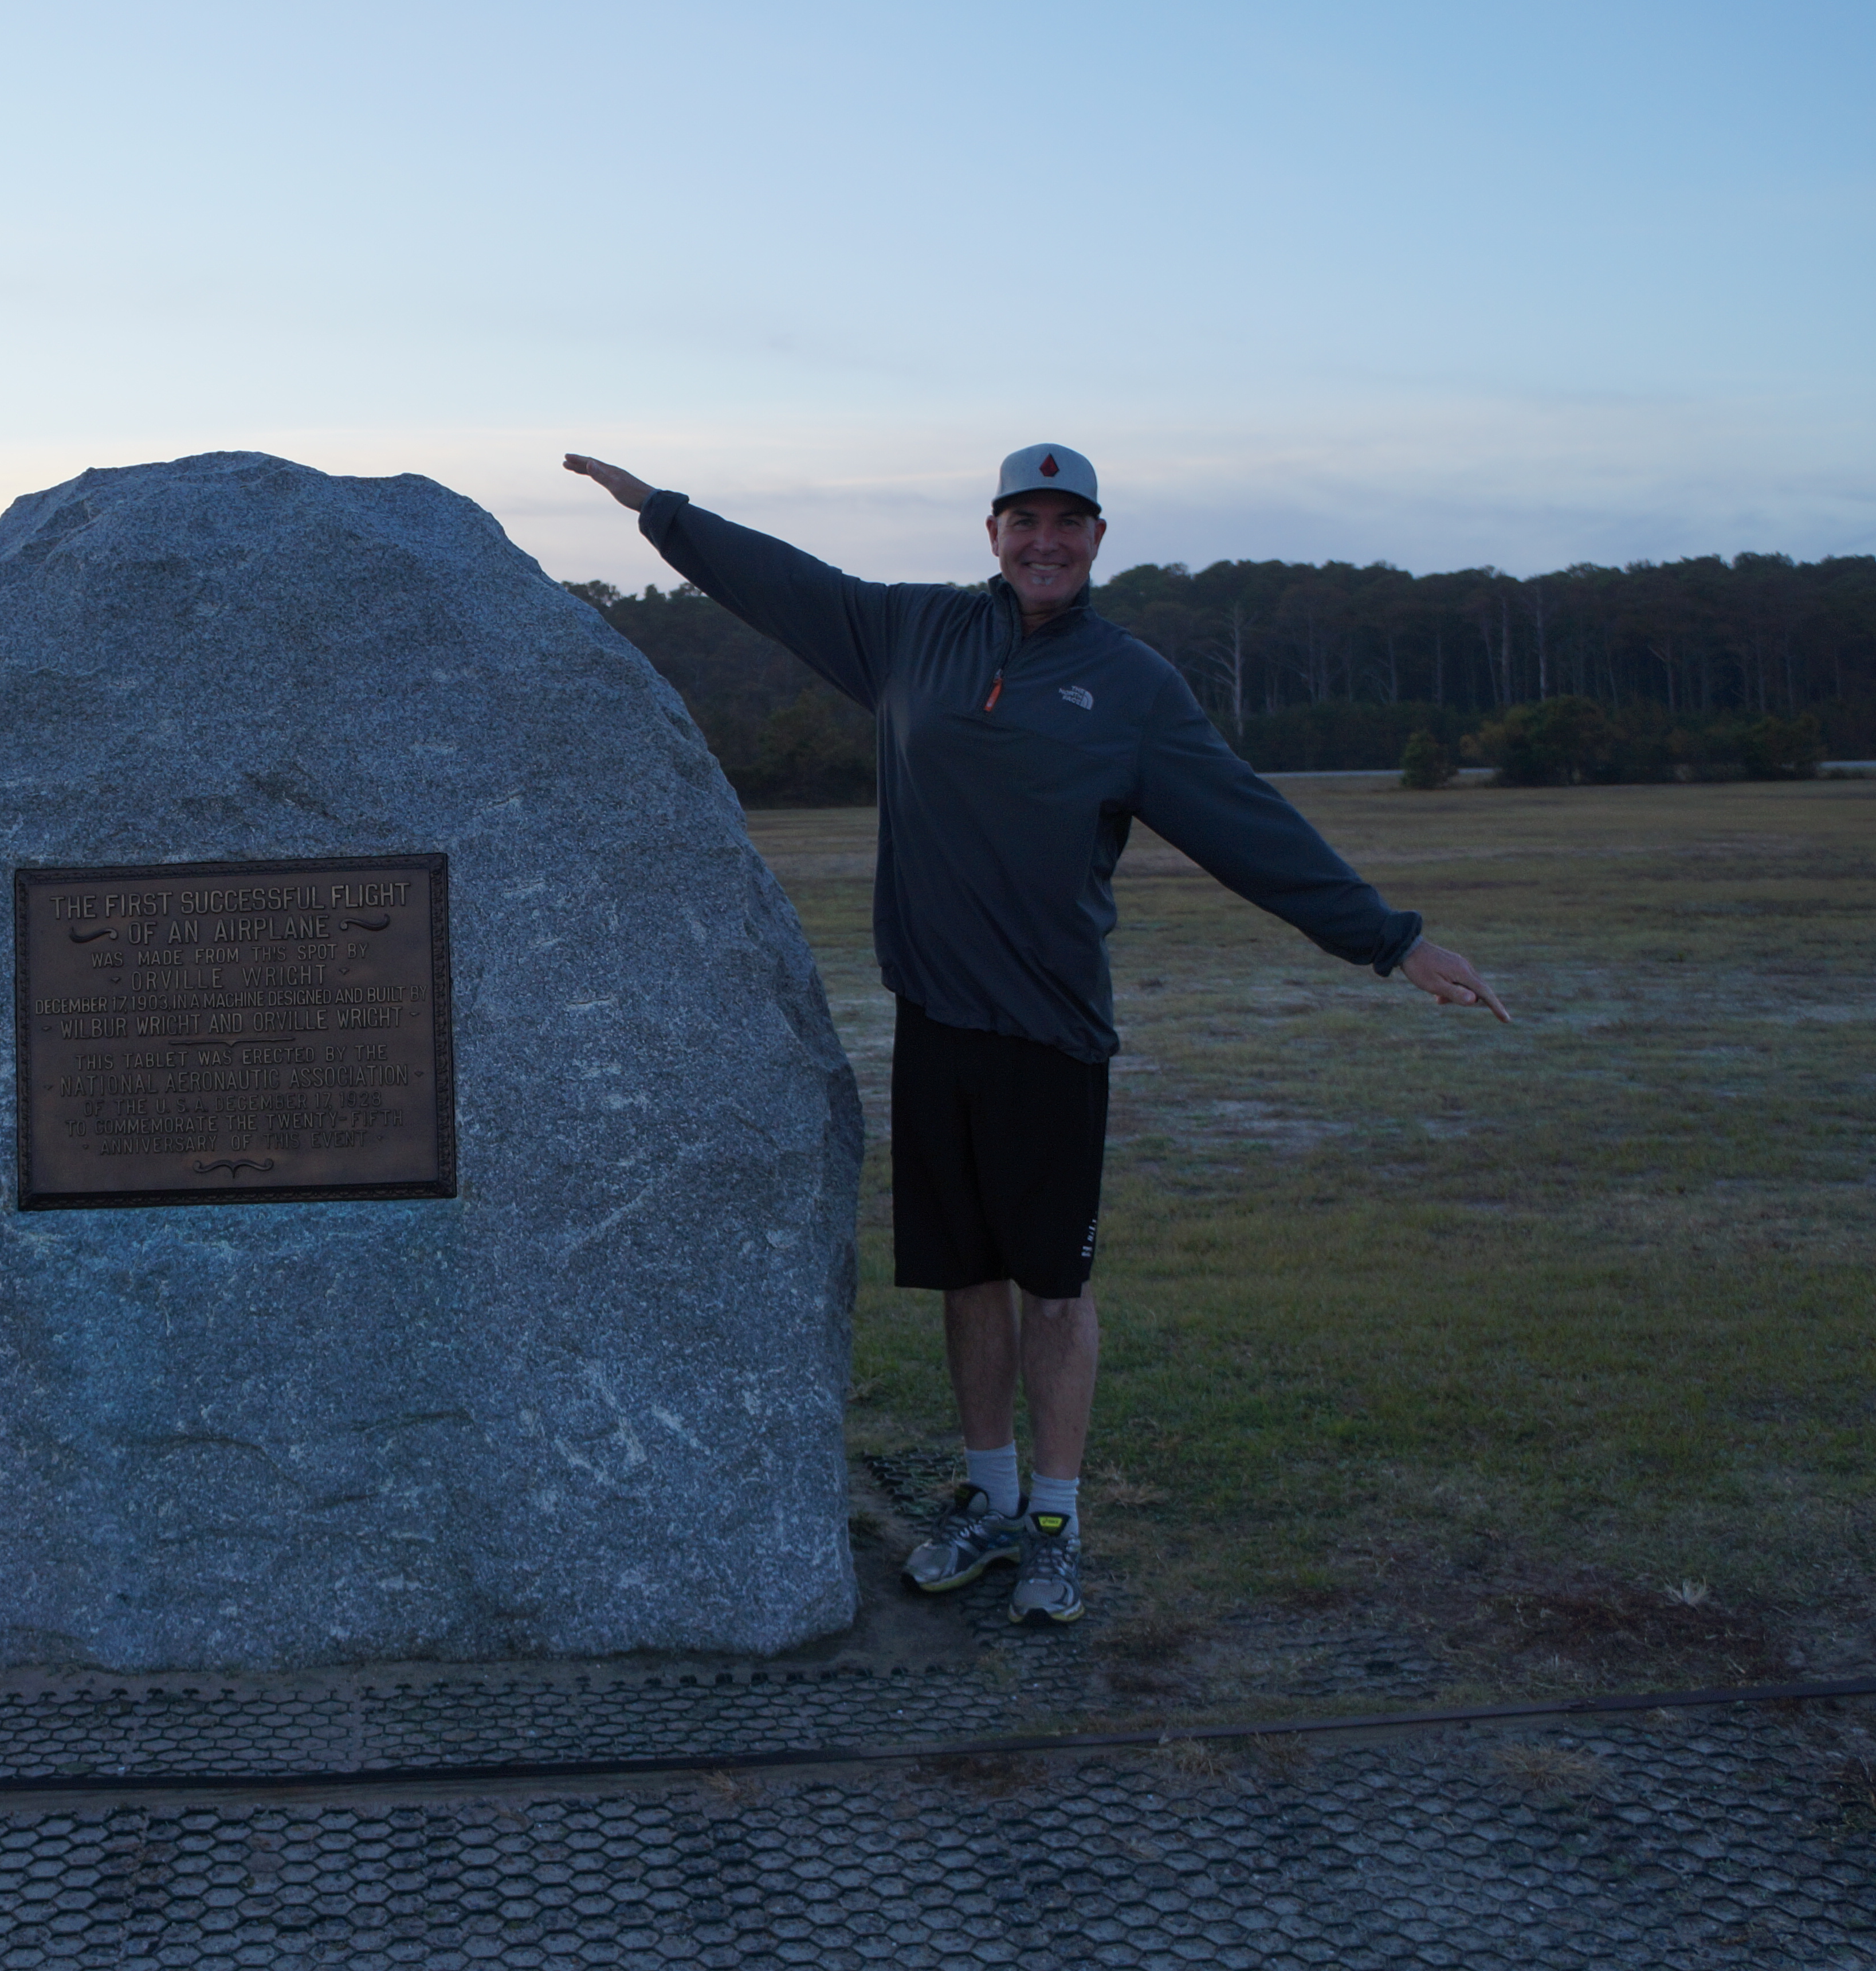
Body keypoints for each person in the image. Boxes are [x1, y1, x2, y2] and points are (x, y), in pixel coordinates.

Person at [563, 444, 1510, 1625]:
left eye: (1068, 523)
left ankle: (1057, 1522)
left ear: (1097, 540)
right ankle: (990, 1497)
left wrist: (1393, 939)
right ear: (993, 530)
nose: (1044, 542)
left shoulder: (1132, 685)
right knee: (965, 1280)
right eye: (1026, 520)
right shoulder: (912, 635)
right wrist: (661, 513)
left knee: (1052, 1291)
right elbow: (781, 584)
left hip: (1051, 1031)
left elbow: (1247, 826)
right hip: (936, 1022)